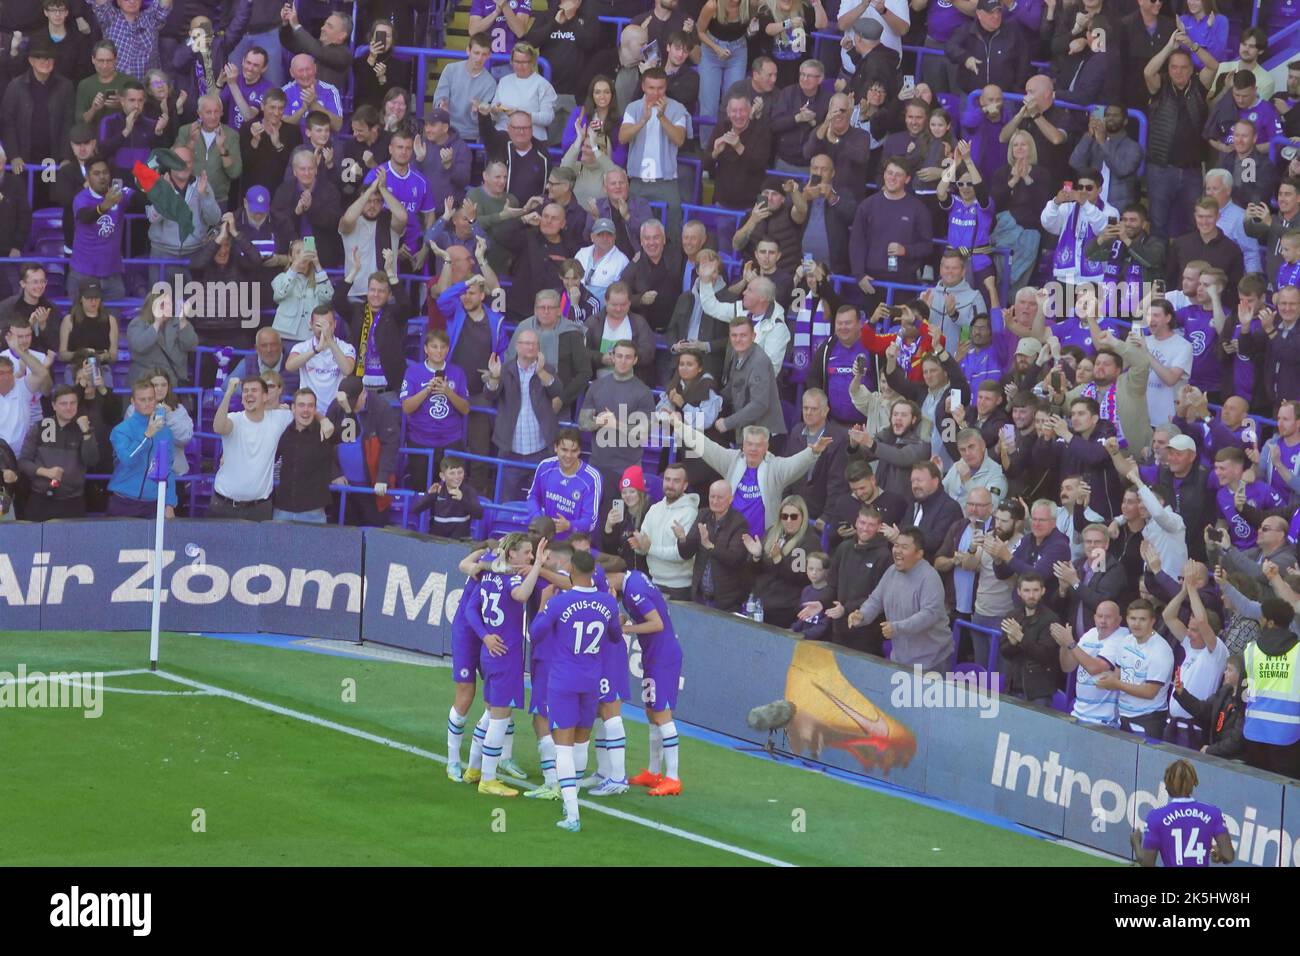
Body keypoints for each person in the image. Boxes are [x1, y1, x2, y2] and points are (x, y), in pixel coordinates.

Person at [528, 547, 622, 829]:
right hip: (591, 680)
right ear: (594, 572)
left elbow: (535, 634)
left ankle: (572, 814)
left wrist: (544, 606)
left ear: (570, 571)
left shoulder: (561, 602)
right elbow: (616, 637)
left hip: (563, 680)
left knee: (564, 747)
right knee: (582, 740)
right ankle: (574, 797)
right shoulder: (608, 602)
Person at [462, 533, 548, 798]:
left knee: (490, 715)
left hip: (490, 653)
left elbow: (470, 610)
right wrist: (537, 568)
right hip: (506, 656)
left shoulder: (488, 576)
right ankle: (488, 779)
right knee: (500, 719)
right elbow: (522, 595)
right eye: (527, 552)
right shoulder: (512, 579)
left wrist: (484, 636)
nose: (530, 557)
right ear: (512, 555)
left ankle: (473, 770)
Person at [609, 564, 684, 796]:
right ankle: (654, 771)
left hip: (662, 656)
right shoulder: (634, 580)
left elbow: (656, 623)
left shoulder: (634, 589)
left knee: (662, 713)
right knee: (652, 712)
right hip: (654, 653)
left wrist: (628, 629)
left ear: (613, 573)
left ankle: (673, 777)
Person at [848, 527, 950, 670]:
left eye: (904, 547)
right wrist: (862, 615)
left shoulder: (930, 578)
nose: (898, 551)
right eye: (896, 545)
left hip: (931, 661)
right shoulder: (891, 571)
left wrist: (897, 628)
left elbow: (929, 615)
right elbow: (876, 600)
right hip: (900, 657)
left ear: (919, 554)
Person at [579, 341, 655, 524]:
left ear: (635, 360)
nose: (623, 361)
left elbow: (643, 433)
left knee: (618, 521)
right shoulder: (597, 386)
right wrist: (597, 422)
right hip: (598, 464)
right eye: (619, 356)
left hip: (626, 469)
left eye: (628, 357)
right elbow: (582, 422)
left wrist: (615, 423)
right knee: (592, 516)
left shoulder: (643, 392)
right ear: (612, 357)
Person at [209, 374, 293, 520]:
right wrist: (228, 393)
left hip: (259, 508)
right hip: (223, 504)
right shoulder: (234, 419)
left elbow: (305, 412)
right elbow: (218, 427)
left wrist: (323, 420)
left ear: (265, 397)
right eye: (245, 391)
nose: (249, 394)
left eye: (254, 390)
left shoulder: (279, 418)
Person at [1133, 759, 1235, 866]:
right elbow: (1228, 856)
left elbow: (1147, 864)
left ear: (1167, 786)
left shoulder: (1155, 817)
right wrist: (1217, 852)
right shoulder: (1213, 813)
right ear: (1193, 782)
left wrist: (1136, 843)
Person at [18, 385, 98, 521]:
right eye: (63, 403)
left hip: (73, 501)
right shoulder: (40, 427)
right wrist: (45, 472)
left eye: (73, 403)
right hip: (40, 499)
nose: (69, 407)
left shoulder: (84, 428)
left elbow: (91, 461)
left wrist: (86, 432)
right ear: (54, 406)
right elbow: (23, 462)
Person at [1241, 597, 1300, 779]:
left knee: (1256, 794)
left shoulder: (1250, 650)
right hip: (1288, 735)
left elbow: (1242, 693)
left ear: (1270, 622)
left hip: (1254, 731)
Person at [743, 494, 821, 628]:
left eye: (794, 516)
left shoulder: (809, 541)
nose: (789, 521)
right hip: (759, 604)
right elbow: (753, 573)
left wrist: (779, 560)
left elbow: (801, 579)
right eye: (784, 516)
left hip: (785, 609)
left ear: (803, 517)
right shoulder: (771, 533)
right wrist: (756, 557)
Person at [107, 376, 176, 517]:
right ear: (133, 402)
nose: (147, 403)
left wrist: (169, 503)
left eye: (151, 399)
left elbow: (168, 469)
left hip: (154, 502)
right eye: (142, 400)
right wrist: (147, 436)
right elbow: (128, 460)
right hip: (124, 501)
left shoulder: (165, 432)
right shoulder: (121, 430)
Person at [679, 478, 751, 612]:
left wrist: (710, 546)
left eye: (720, 497)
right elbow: (686, 554)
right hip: (699, 597)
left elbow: (735, 559)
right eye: (712, 496)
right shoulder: (702, 515)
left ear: (731, 499)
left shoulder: (739, 523)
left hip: (726, 601)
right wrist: (682, 539)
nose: (715, 501)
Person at [629, 462, 699, 599]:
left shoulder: (690, 513)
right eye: (667, 479)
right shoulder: (654, 509)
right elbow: (644, 544)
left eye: (676, 481)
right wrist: (639, 546)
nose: (670, 485)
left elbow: (681, 554)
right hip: (654, 582)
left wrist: (649, 548)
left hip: (679, 589)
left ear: (685, 486)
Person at [272, 387, 342, 523]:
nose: (305, 410)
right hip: (282, 510)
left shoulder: (325, 431)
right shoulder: (283, 431)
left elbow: (352, 433)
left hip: (313, 513)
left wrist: (347, 410)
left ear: (315, 410)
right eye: (301, 405)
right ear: (293, 408)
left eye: (310, 406)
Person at [998, 573, 1062, 707]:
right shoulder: (1012, 616)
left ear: (1043, 591)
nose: (1031, 595)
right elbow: (1004, 651)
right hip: (1012, 685)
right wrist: (1012, 643)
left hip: (1038, 691)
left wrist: (1020, 637)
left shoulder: (1051, 619)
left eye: (1035, 590)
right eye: (1026, 590)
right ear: (1019, 592)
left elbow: (1045, 655)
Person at [525, 428, 602, 539]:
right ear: (556, 448)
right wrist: (538, 519)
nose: (568, 456)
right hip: (546, 535)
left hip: (574, 541)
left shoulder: (592, 478)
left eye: (574, 451)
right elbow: (532, 497)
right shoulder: (545, 466)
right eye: (564, 450)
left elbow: (591, 522)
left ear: (580, 451)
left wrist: (570, 525)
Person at [285, 306, 357, 409]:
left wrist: (330, 342)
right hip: (310, 411)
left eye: (327, 325)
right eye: (319, 325)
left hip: (336, 409)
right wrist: (316, 349)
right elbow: (289, 366)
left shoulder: (346, 347)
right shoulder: (301, 347)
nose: (323, 329)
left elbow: (347, 370)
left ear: (335, 324)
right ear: (311, 325)